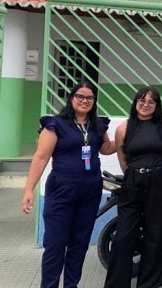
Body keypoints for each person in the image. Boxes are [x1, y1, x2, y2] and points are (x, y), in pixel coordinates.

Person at [21, 81, 116, 288]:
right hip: (61, 191)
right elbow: (41, 157)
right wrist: (29, 189)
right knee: (55, 245)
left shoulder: (97, 125)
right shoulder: (55, 124)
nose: (84, 101)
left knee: (79, 245)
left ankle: (71, 285)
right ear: (71, 98)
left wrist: (127, 136)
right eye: (80, 96)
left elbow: (106, 148)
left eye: (89, 98)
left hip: (90, 192)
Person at [104, 86, 162, 288]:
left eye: (151, 102)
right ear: (135, 103)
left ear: (157, 105)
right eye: (142, 101)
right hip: (133, 182)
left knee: (155, 234)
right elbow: (123, 160)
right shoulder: (123, 128)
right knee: (124, 235)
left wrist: (155, 174)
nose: (146, 105)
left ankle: (149, 284)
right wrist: (137, 175)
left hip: (159, 182)